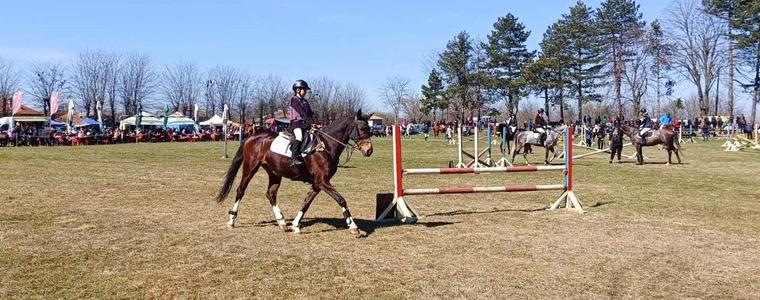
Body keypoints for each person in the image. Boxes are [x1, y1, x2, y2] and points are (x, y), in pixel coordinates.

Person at [288, 79, 317, 166]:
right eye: (304, 89)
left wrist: (317, 122)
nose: (305, 92)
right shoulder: (294, 100)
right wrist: (310, 123)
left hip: (305, 124)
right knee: (299, 137)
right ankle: (294, 158)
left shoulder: (305, 101)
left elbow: (310, 113)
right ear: (298, 90)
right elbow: (302, 113)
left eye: (306, 90)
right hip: (296, 124)